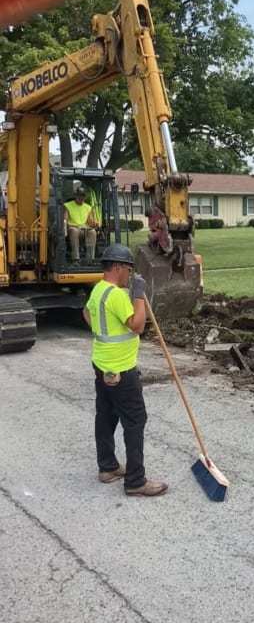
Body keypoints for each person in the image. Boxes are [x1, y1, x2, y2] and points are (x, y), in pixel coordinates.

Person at [83, 243, 168, 497]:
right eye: (129, 270)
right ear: (118, 267)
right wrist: (139, 296)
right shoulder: (118, 296)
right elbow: (138, 325)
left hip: (101, 364)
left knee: (106, 415)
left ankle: (107, 467)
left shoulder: (98, 290)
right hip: (121, 369)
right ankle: (135, 481)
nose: (130, 275)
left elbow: (86, 313)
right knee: (135, 420)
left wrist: (103, 329)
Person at [64, 186, 98, 262]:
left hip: (84, 229)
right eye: (79, 195)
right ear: (76, 196)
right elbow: (65, 220)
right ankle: (76, 259)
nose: (81, 198)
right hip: (73, 228)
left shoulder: (88, 207)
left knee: (92, 232)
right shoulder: (67, 205)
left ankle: (90, 259)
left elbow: (89, 222)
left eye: (83, 196)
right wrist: (66, 228)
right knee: (74, 231)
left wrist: (94, 224)